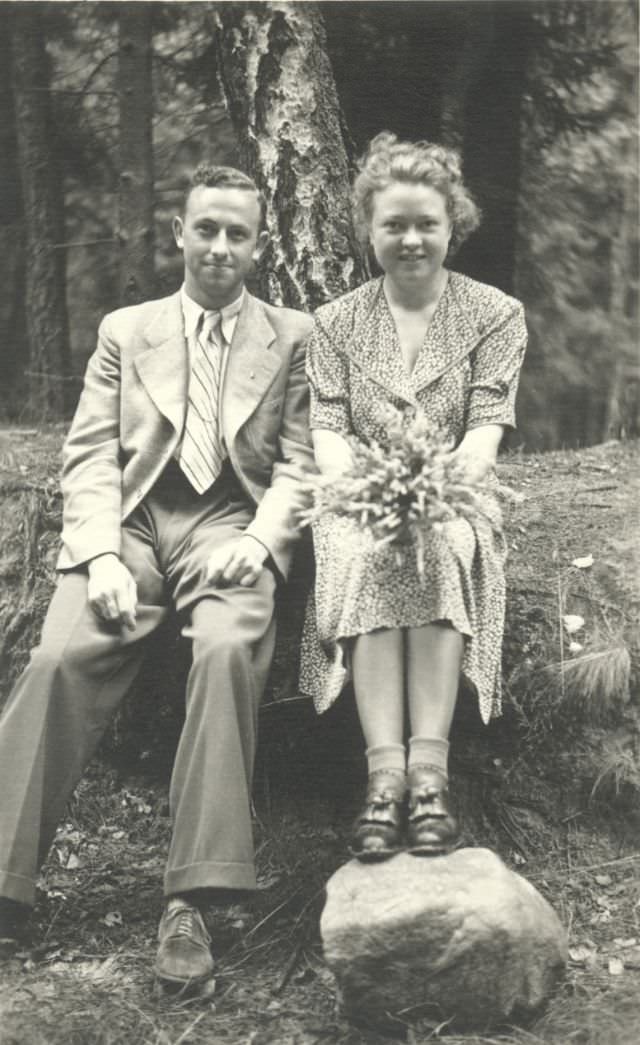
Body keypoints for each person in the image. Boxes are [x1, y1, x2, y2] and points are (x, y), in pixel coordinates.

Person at [0, 164, 314, 986]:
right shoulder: (126, 330)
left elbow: (304, 461)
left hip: (231, 525)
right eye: (204, 229)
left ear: (258, 245)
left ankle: (194, 901)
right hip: (136, 520)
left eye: (236, 234)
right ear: (179, 232)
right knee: (58, 656)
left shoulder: (294, 335)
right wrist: (101, 552)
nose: (218, 247)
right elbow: (90, 455)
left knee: (222, 649)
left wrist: (265, 538)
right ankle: (3, 879)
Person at [301, 133, 527, 861]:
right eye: (393, 224)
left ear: (451, 225)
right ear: (369, 228)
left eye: (426, 223)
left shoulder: (495, 314)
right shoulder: (334, 323)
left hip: (454, 488)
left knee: (443, 543)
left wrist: (436, 493)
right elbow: (329, 431)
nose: (410, 239)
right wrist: (367, 496)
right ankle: (384, 780)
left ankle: (431, 774)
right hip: (358, 495)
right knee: (364, 549)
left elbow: (486, 427)